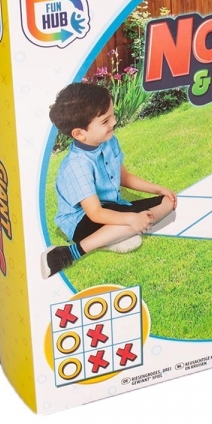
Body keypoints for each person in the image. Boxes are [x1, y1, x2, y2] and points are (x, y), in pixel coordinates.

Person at [41, 82, 176, 279]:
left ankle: (112, 236)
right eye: (105, 121)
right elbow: (95, 213)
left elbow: (124, 177)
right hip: (82, 220)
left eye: (112, 115)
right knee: (134, 220)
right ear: (79, 134)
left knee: (167, 203)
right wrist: (130, 218)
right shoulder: (77, 165)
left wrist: (157, 189)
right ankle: (71, 252)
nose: (114, 122)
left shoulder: (108, 140)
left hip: (110, 207)